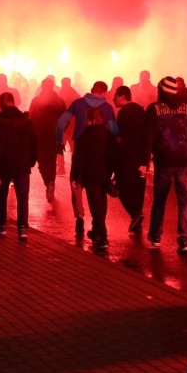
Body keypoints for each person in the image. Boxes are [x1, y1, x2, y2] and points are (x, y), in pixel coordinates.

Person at [142, 76, 187, 254]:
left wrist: (144, 161)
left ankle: (155, 236)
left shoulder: (154, 109)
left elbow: (148, 137)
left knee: (160, 199)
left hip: (164, 160)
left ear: (161, 91)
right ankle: (184, 240)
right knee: (184, 201)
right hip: (184, 159)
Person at [56, 81, 118, 237]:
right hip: (100, 153)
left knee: (76, 185)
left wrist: (59, 140)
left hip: (80, 149)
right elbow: (114, 130)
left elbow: (61, 121)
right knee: (98, 191)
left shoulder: (77, 103)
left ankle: (80, 217)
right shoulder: (108, 108)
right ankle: (99, 225)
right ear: (103, 92)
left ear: (92, 90)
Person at [0, 92, 37, 241]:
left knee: (1, 195)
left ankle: (1, 226)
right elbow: (34, 141)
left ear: (2, 103)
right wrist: (32, 160)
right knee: (23, 197)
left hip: (5, 164)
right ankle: (22, 229)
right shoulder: (26, 119)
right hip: (22, 163)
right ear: (13, 102)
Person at [71, 107, 119, 253]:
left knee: (96, 208)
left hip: (90, 175)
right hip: (104, 175)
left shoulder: (84, 136)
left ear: (91, 120)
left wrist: (75, 176)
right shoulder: (108, 135)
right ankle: (96, 232)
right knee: (101, 205)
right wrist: (114, 173)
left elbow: (78, 158)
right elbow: (113, 156)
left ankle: (102, 238)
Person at [113, 85, 148, 233]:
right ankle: (137, 222)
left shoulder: (123, 113)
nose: (113, 99)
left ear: (122, 96)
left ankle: (135, 215)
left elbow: (120, 136)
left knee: (119, 187)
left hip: (126, 157)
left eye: (116, 96)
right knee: (138, 188)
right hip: (141, 156)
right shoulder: (141, 111)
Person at [29, 77, 67, 202]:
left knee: (42, 162)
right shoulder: (59, 101)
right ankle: (50, 182)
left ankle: (48, 182)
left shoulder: (36, 101)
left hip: (40, 137)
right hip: (52, 136)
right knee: (51, 161)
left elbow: (30, 118)